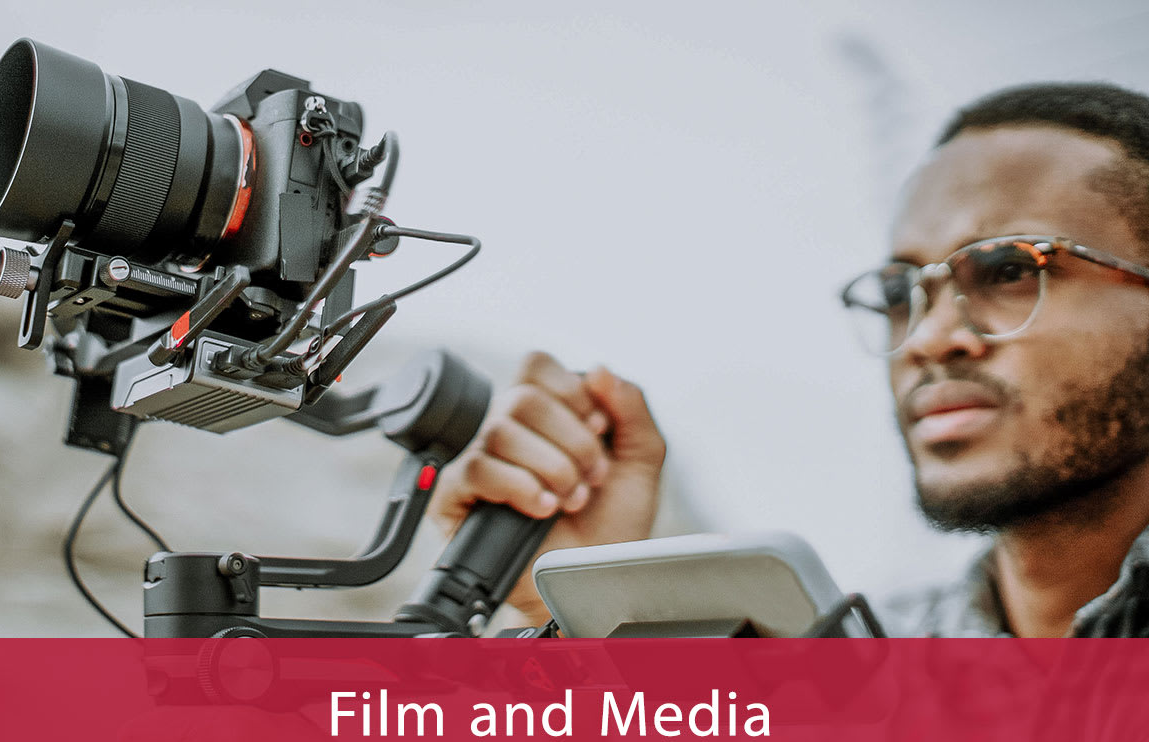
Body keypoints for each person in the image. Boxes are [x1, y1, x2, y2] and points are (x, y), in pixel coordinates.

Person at [429, 82, 1149, 638]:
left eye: (1007, 271)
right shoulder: (871, 667)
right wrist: (562, 612)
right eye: (902, 292)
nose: (928, 339)